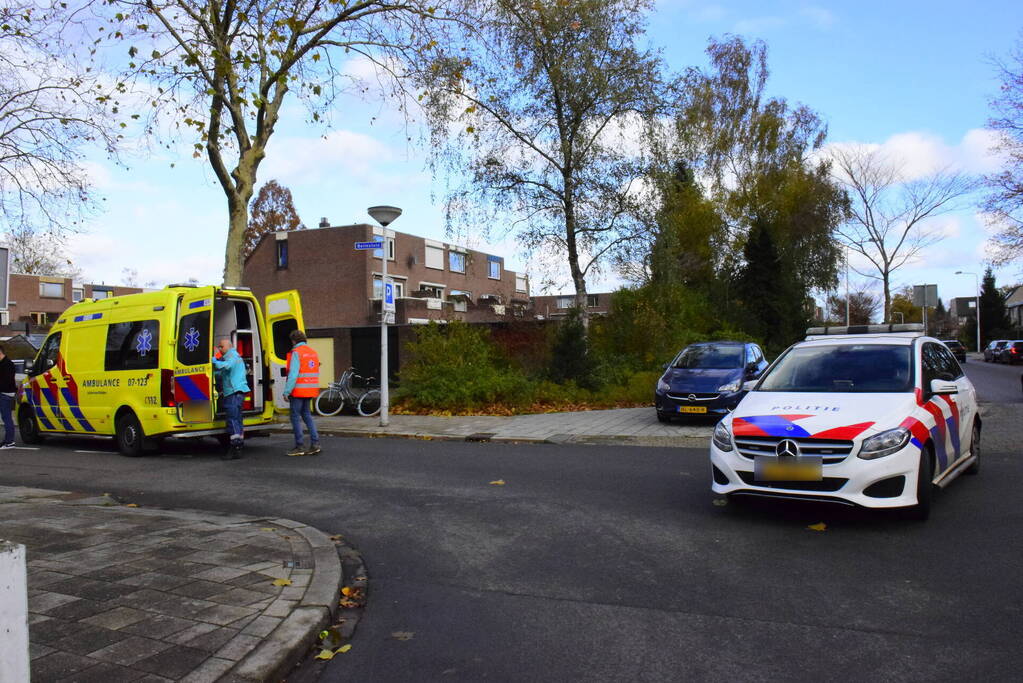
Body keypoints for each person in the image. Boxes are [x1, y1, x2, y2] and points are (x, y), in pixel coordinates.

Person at [211, 337, 249, 460]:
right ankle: (239, 445)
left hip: (233, 392)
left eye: (222, 346)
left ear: (229, 346)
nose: (220, 348)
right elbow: (223, 373)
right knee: (237, 420)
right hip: (236, 392)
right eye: (219, 346)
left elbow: (226, 367)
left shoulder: (232, 356)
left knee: (232, 420)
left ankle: (235, 447)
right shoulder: (233, 357)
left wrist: (212, 361)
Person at [284, 329, 320, 456]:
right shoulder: (313, 353)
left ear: (293, 341)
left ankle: (299, 446)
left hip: (298, 390)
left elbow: (293, 374)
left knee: (295, 417)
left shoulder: (296, 353)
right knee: (307, 416)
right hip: (310, 389)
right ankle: (315, 444)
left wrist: (287, 391)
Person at [0, 346, 17, 448]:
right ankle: (7, 440)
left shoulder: (8, 364)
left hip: (5, 394)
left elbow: (7, 381)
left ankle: (9, 441)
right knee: (5, 418)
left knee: (7, 418)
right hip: (3, 393)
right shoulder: (3, 363)